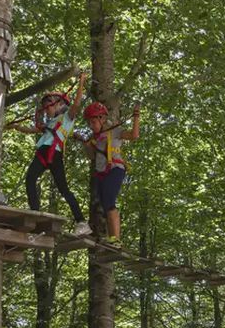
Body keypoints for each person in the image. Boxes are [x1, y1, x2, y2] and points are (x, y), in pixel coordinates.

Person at [8, 73, 91, 236]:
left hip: (54, 153)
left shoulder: (67, 117)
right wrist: (15, 127)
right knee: (30, 178)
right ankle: (35, 212)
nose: (46, 110)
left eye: (49, 106)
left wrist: (81, 82)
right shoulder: (49, 123)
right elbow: (30, 130)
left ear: (60, 104)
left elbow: (76, 104)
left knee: (63, 190)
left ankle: (82, 222)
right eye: (45, 107)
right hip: (43, 152)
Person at [81, 102, 140, 245]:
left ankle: (116, 239)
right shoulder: (94, 137)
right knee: (104, 203)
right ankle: (112, 238)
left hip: (115, 168)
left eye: (93, 121)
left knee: (109, 200)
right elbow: (91, 156)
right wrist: (88, 146)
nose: (91, 125)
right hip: (101, 172)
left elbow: (134, 135)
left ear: (102, 118)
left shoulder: (115, 131)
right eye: (89, 123)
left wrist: (136, 116)